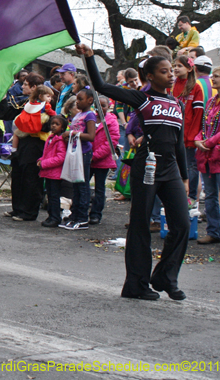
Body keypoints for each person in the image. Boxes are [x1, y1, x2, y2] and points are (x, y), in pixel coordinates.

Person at [78, 43, 189, 301]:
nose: (171, 75)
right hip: (146, 167)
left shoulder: (176, 103)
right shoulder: (142, 98)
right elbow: (103, 88)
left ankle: (165, 277)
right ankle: (136, 285)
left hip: (171, 169)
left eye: (171, 71)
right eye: (164, 72)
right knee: (140, 225)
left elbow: (179, 143)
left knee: (181, 224)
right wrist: (91, 58)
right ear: (150, 76)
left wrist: (184, 177)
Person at [6, 74, 51, 222]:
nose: (22, 87)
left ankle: (29, 211)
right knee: (18, 176)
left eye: (26, 84)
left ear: (34, 88)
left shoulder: (46, 106)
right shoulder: (25, 103)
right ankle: (17, 208)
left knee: (30, 178)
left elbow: (47, 125)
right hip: (22, 143)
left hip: (35, 144)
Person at [195, 65, 220, 245]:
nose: (212, 79)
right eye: (212, 76)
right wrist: (198, 139)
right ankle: (214, 231)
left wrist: (209, 141)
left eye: (216, 76)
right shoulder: (211, 102)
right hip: (207, 154)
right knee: (210, 195)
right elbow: (204, 124)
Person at [59, 89, 97, 230]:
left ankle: (82, 218)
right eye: (77, 100)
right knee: (75, 185)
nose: (77, 102)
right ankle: (74, 215)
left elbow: (91, 136)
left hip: (84, 153)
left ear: (90, 100)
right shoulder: (78, 115)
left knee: (82, 185)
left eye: (80, 99)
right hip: (75, 153)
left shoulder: (90, 115)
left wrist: (73, 133)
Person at [172, 55, 204, 203]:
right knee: (175, 166)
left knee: (190, 166)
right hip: (174, 134)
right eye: (175, 66)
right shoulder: (171, 85)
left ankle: (191, 198)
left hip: (189, 135)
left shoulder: (196, 87)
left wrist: (193, 136)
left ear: (189, 68)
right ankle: (177, 195)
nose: (176, 69)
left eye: (179, 66)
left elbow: (198, 114)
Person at [89, 97, 119, 225]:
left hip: (102, 161)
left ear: (108, 106)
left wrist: (94, 155)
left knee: (99, 188)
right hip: (88, 159)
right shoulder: (90, 119)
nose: (101, 108)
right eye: (98, 105)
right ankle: (81, 211)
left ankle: (96, 214)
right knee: (83, 186)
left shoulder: (112, 121)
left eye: (104, 105)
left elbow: (111, 142)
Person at [39, 115, 68, 227]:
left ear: (62, 127)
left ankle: (55, 217)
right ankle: (51, 215)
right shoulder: (50, 138)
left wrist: (44, 164)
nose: (54, 126)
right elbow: (46, 154)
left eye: (57, 124)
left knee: (54, 196)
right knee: (50, 195)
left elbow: (60, 157)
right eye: (52, 124)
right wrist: (40, 160)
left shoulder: (60, 140)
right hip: (49, 172)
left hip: (55, 173)